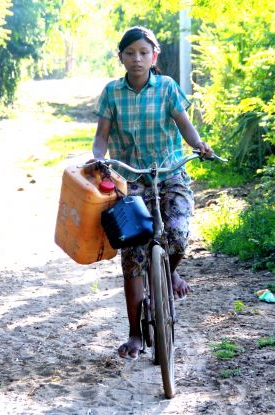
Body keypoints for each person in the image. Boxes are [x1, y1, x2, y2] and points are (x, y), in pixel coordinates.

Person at [90, 26, 214, 360]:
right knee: (133, 255)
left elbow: (185, 124)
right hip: (131, 180)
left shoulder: (167, 88)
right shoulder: (112, 93)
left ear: (154, 56)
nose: (136, 59)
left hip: (171, 172)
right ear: (121, 58)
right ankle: (135, 334)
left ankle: (170, 269)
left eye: (143, 52)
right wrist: (99, 159)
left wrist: (199, 144)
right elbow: (102, 135)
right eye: (129, 53)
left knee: (177, 232)